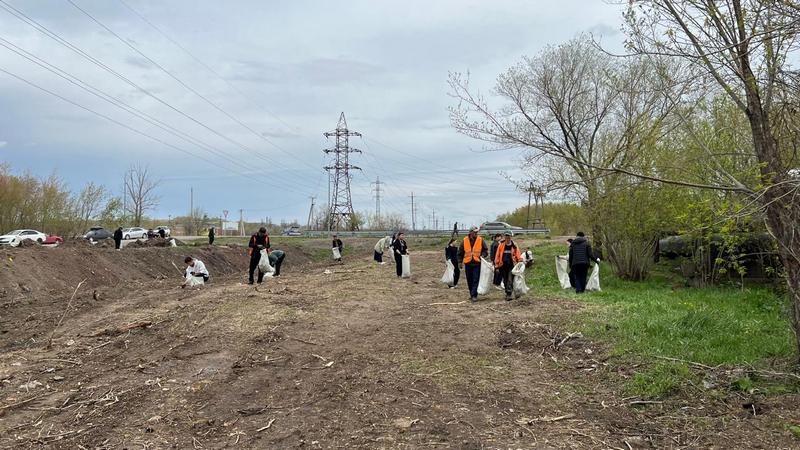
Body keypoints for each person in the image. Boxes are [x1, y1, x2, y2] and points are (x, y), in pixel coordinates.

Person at [457, 227, 488, 302]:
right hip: (468, 263)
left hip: (477, 263)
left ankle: (474, 295)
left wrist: (483, 256)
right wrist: (460, 262)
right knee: (469, 280)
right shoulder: (464, 240)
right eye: (475, 232)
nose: (476, 233)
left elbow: (485, 250)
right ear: (470, 232)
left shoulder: (480, 240)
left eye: (477, 232)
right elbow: (460, 252)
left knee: (475, 279)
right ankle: (472, 294)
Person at [495, 231, 523, 301]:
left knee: (510, 280)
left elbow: (518, 254)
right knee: (505, 280)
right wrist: (497, 266)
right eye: (506, 236)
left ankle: (509, 294)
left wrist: (520, 260)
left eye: (509, 236)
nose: (508, 238)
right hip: (502, 266)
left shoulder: (514, 245)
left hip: (511, 265)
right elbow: (497, 256)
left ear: (511, 237)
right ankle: (507, 292)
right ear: (505, 237)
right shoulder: (501, 245)